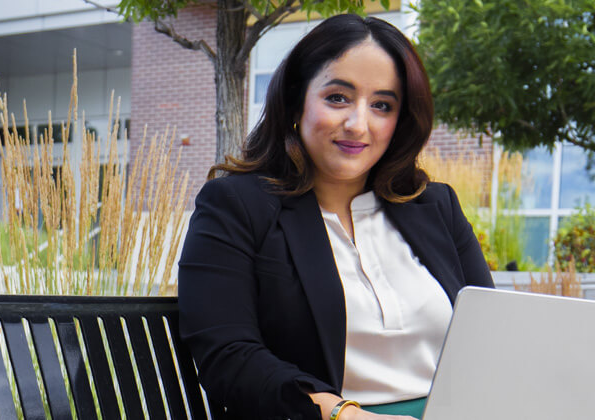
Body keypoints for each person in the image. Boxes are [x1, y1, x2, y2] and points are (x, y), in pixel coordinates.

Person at [176, 14, 495, 420]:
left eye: (382, 105)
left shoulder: (436, 206)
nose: (358, 125)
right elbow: (229, 354)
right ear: (296, 100)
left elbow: (490, 332)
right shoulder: (236, 206)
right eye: (338, 98)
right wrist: (346, 415)